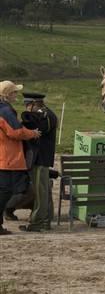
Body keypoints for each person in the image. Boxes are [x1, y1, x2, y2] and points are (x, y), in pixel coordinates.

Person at [0, 81, 40, 235]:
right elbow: (16, 132)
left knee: (5, 190)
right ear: (8, 94)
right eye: (15, 92)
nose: (17, 94)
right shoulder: (5, 111)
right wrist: (33, 133)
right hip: (8, 158)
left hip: (4, 157)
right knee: (7, 191)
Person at [18, 92, 57, 232]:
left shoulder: (46, 116)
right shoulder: (43, 114)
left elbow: (38, 129)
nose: (27, 108)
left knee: (41, 192)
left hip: (41, 158)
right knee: (44, 191)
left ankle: (38, 222)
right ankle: (45, 220)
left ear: (34, 103)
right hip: (40, 158)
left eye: (28, 105)